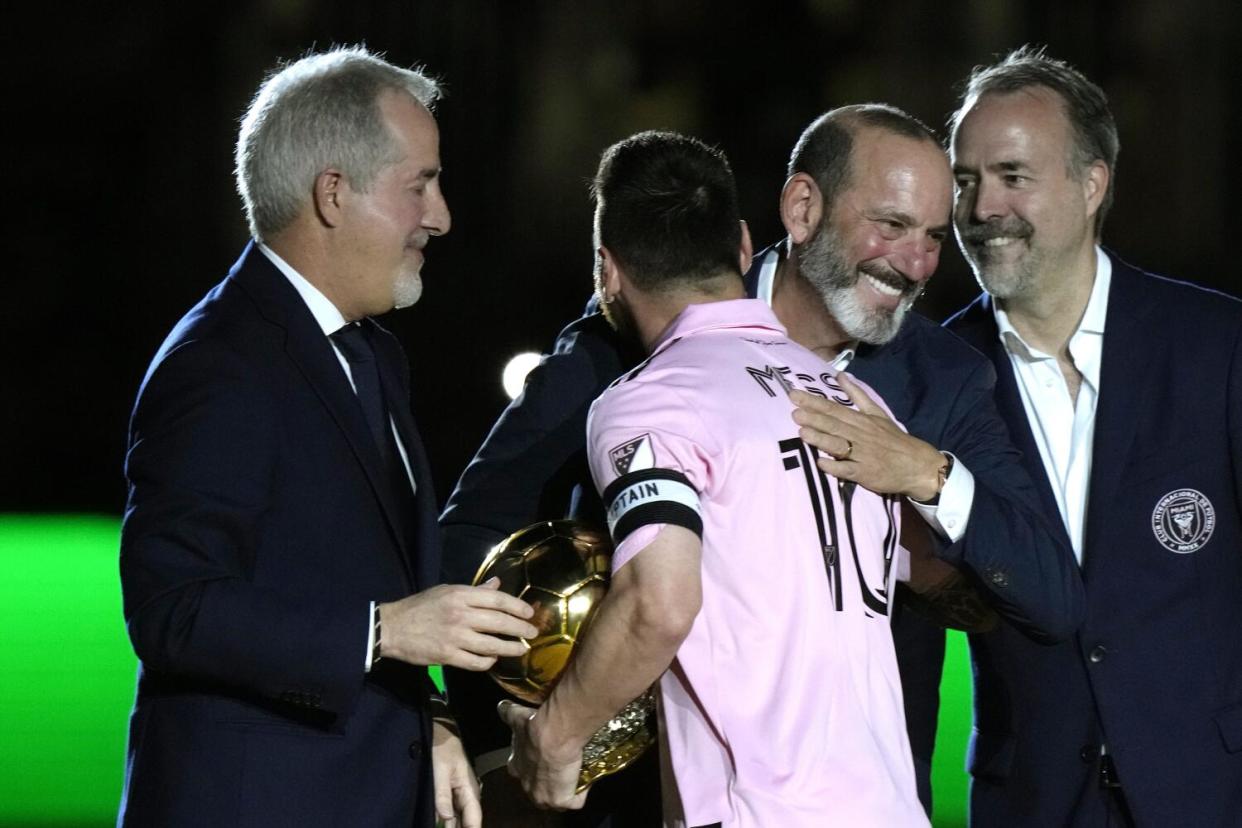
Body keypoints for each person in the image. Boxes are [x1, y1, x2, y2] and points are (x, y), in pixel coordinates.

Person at [441, 105, 1083, 823]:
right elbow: (473, 539)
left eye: (935, 237)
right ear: (796, 211)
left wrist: (930, 477)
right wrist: (475, 728)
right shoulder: (623, 356)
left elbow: (1044, 593)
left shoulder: (932, 382)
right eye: (893, 225)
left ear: (609, 271)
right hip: (654, 798)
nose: (917, 263)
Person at [116, 46, 539, 828]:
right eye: (421, 185)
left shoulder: (371, 352)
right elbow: (172, 608)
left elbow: (363, 577)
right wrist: (384, 630)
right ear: (334, 194)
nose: (441, 216)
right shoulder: (219, 362)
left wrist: (433, 718)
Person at [499, 128, 930, 827]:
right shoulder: (855, 401)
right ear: (739, 246)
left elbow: (659, 603)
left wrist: (553, 738)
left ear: (607, 271)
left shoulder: (653, 401)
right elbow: (931, 571)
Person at [938, 46, 1242, 826]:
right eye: (965, 181)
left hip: (1208, 793)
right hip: (1029, 801)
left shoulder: (1216, 345)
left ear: (1092, 182)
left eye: (1012, 176)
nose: (980, 209)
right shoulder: (932, 374)